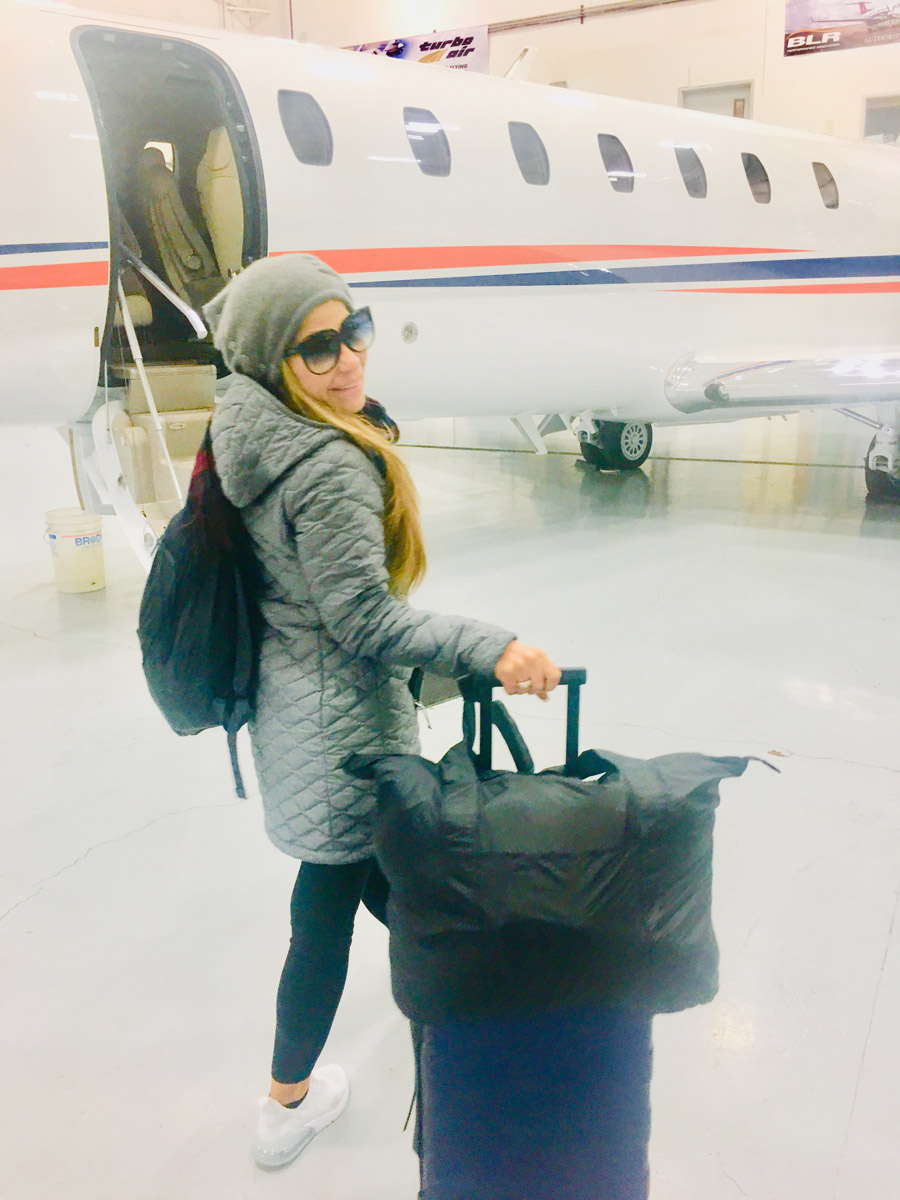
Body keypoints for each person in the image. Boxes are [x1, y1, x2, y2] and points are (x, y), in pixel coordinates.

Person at [202, 254, 561, 1170]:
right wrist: (493, 648)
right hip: (343, 736)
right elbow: (363, 617)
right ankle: (309, 1100)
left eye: (353, 329)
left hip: (297, 717)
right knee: (370, 908)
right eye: (318, 348)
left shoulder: (255, 430)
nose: (350, 358)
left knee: (376, 898)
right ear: (277, 362)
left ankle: (436, 1042)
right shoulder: (327, 464)